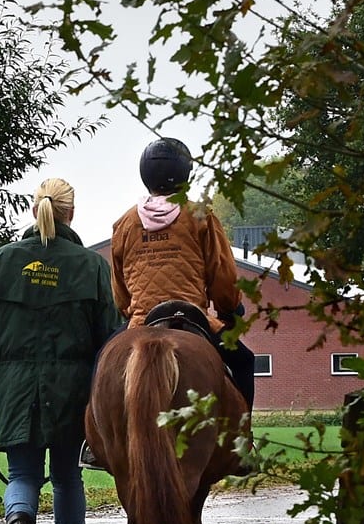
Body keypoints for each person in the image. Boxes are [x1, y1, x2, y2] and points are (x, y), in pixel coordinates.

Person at [0, 178, 124, 524]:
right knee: (67, 476)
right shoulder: (91, 267)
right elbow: (110, 340)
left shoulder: (1, 263)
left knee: (23, 474)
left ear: (36, 210)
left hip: (14, 389)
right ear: (71, 213)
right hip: (74, 392)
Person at [108, 137, 256, 413]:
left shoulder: (125, 224)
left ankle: (93, 443)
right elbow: (222, 273)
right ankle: (242, 442)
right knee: (245, 362)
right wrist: (229, 309)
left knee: (101, 364)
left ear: (145, 176)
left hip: (141, 319)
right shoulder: (200, 216)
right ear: (185, 175)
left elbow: (119, 286)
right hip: (193, 316)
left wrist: (129, 311)